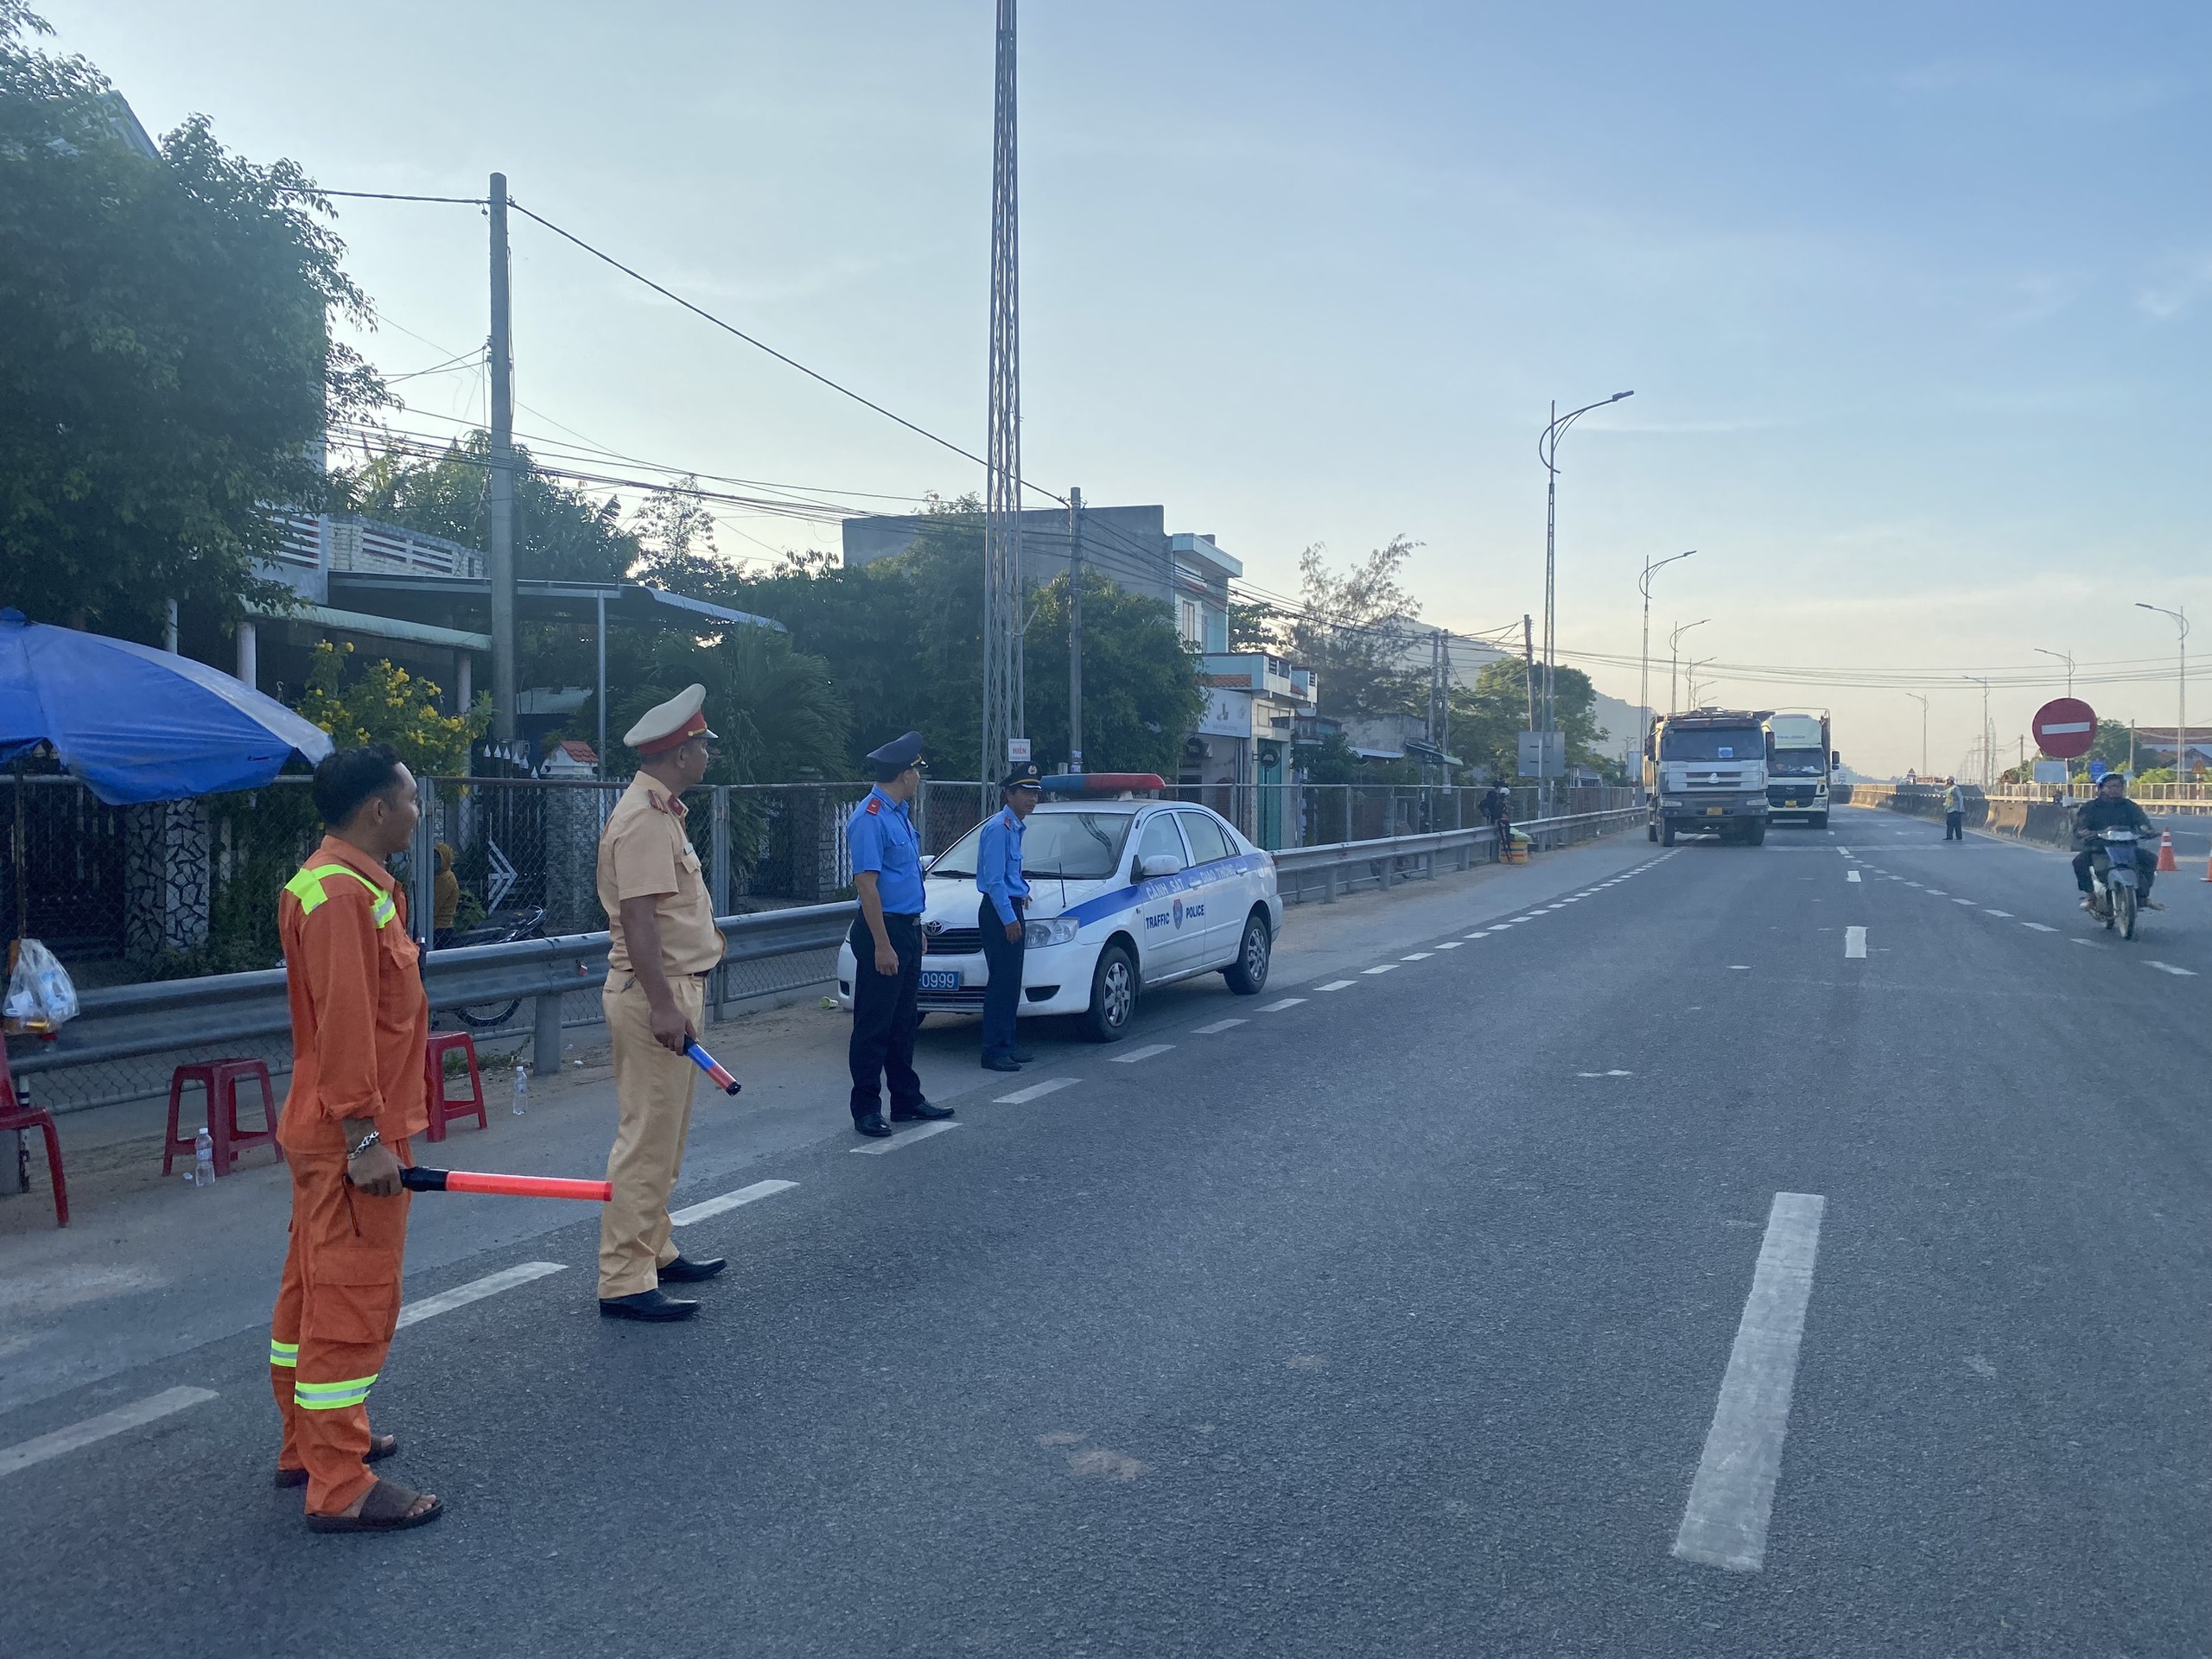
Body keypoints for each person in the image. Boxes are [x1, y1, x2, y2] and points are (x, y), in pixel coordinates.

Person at [270, 744, 442, 1532]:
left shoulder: (344, 884)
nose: (417, 809)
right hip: (351, 1133)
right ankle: (339, 1483)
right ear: (378, 809)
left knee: (312, 1289)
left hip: (332, 1125)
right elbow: (345, 1023)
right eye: (410, 798)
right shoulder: (341, 896)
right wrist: (366, 1135)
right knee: (350, 1300)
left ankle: (309, 1445)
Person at [594, 684, 729, 1322]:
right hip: (658, 994)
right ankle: (624, 1277)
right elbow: (640, 919)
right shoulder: (647, 819)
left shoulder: (662, 810)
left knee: (666, 1137)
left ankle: (655, 1247)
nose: (708, 754)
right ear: (681, 752)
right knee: (647, 1138)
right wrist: (662, 1006)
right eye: (704, 745)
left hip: (672, 989)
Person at [844, 732, 954, 1137]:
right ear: (905, 774)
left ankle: (906, 1099)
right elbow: (867, 886)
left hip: (906, 927)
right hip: (882, 931)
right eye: (917, 771)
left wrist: (915, 928)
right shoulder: (870, 816)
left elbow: (904, 880)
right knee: (874, 1025)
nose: (919, 778)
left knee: (904, 1022)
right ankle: (866, 1107)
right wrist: (883, 943)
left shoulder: (898, 813)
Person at [977, 763, 1043, 1071]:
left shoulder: (1014, 827)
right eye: (1026, 792)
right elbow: (993, 881)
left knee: (1011, 982)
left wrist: (1021, 892)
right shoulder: (998, 828)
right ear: (1009, 794)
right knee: (1001, 983)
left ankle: (1007, 1044)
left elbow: (1008, 873)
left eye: (1035, 793)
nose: (1032, 799)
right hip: (999, 913)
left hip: (1011, 907)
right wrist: (1008, 918)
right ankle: (993, 1050)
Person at [2072, 772, 2160, 911]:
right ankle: (2090, 896)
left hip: (2127, 847)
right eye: (2111, 786)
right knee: (2079, 862)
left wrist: (2148, 830)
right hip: (2099, 848)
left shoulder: (2129, 806)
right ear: (2101, 789)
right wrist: (2086, 833)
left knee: (2152, 860)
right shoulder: (2090, 807)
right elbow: (2080, 826)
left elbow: (2142, 822)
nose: (2116, 789)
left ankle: (2143, 897)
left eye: (2119, 786)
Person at [1479, 784, 1512, 861]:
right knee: (1505, 839)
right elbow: (1500, 812)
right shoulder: (1499, 802)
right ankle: (1508, 856)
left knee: (1504, 839)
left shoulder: (1495, 799)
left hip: (1496, 821)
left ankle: (1502, 856)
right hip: (1501, 822)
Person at [1942, 777, 1965, 841]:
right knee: (1950, 823)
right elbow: (1943, 792)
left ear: (1950, 781)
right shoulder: (1950, 789)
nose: (1946, 782)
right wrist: (1935, 789)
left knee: (1956, 824)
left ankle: (1957, 836)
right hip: (1950, 809)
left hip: (1955, 809)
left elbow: (1960, 798)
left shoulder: (1955, 788)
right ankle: (1951, 836)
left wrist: (1961, 808)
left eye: (1947, 781)